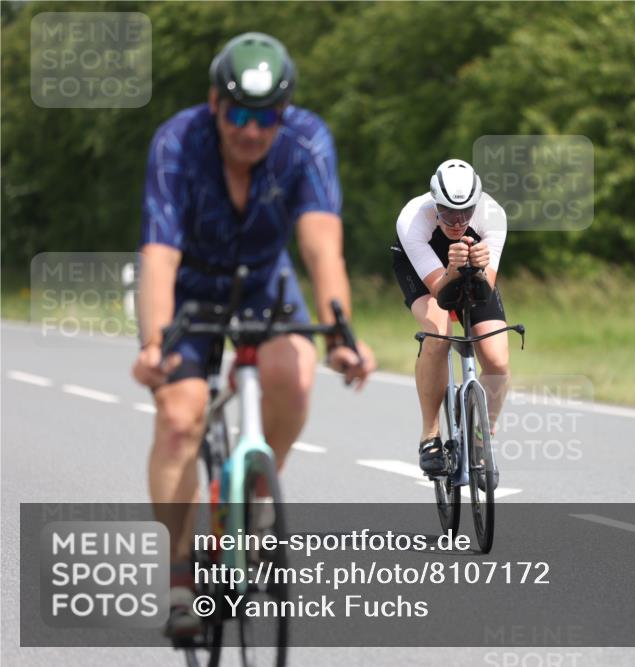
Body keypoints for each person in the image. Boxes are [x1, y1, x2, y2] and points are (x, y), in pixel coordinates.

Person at [131, 32, 375, 636]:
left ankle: (256, 498)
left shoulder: (307, 141)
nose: (250, 130)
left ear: (283, 114)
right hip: (190, 289)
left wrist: (342, 331)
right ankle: (181, 571)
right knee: (180, 418)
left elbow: (322, 247)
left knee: (293, 376)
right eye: (237, 113)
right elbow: (158, 253)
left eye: (265, 117)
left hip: (265, 282)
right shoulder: (177, 143)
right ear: (215, 103)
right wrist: (155, 345)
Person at [391, 159, 510, 480]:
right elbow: (441, 294)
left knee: (497, 361)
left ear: (477, 205)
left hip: (472, 264)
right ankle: (430, 436)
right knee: (438, 333)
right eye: (447, 212)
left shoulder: (493, 215)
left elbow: (485, 292)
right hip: (423, 269)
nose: (457, 222)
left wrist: (480, 269)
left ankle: (482, 439)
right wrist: (453, 271)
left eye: (466, 213)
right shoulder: (413, 219)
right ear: (434, 203)